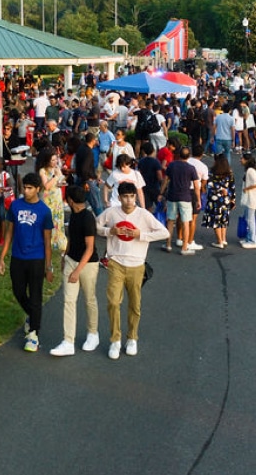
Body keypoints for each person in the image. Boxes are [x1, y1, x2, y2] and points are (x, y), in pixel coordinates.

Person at [96, 182, 170, 359]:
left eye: (132, 196)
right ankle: (115, 339)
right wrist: (110, 231)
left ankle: (132, 337)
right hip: (115, 262)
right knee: (113, 302)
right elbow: (96, 226)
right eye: (125, 197)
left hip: (137, 264)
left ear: (136, 197)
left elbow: (164, 232)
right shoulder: (112, 212)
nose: (129, 200)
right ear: (119, 197)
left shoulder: (143, 215)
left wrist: (141, 236)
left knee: (134, 304)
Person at [0, 171, 54, 353]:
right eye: (24, 188)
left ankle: (33, 334)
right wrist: (2, 258)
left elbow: (47, 241)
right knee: (18, 291)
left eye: (30, 188)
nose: (26, 191)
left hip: (36, 259)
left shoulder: (45, 212)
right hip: (18, 257)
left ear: (38, 189)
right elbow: (9, 233)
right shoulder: (15, 206)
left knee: (35, 295)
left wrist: (48, 266)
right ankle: (33, 315)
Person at [49, 184, 100, 356]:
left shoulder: (87, 218)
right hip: (71, 260)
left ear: (70, 200)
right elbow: (72, 237)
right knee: (69, 300)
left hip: (88, 265)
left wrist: (77, 270)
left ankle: (93, 333)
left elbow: (90, 248)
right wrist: (65, 257)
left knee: (89, 299)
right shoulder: (74, 216)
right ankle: (68, 341)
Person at [160, 145, 200, 255]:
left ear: (178, 155)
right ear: (189, 156)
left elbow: (165, 180)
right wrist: (198, 200)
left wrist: (161, 192)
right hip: (186, 197)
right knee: (185, 222)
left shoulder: (172, 165)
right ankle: (184, 247)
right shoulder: (191, 168)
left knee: (170, 220)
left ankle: (168, 244)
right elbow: (196, 186)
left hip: (172, 195)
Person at [36, 146, 67, 251]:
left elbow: (60, 179)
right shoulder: (42, 171)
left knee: (58, 218)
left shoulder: (56, 168)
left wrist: (60, 180)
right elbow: (47, 186)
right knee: (49, 219)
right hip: (48, 199)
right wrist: (56, 177)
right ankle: (47, 240)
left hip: (57, 197)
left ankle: (57, 240)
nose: (55, 162)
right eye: (52, 160)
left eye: (55, 159)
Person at [203, 154, 236, 248]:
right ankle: (224, 239)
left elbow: (209, 185)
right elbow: (232, 187)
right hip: (226, 200)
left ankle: (219, 241)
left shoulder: (212, 172)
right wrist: (233, 199)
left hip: (214, 200)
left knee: (216, 220)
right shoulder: (229, 172)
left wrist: (219, 189)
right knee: (224, 219)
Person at [137, 142, 163, 212]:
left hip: (144, 187)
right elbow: (159, 175)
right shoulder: (156, 162)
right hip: (155, 186)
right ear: (153, 150)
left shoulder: (141, 161)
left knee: (148, 207)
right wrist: (162, 184)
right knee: (160, 205)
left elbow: (139, 173)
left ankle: (149, 220)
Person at [239, 153, 256, 248]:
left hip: (252, 199)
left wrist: (247, 189)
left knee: (250, 220)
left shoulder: (250, 171)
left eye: (242, 158)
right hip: (250, 199)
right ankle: (249, 237)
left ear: (246, 160)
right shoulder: (249, 170)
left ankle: (253, 240)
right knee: (248, 218)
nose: (240, 160)